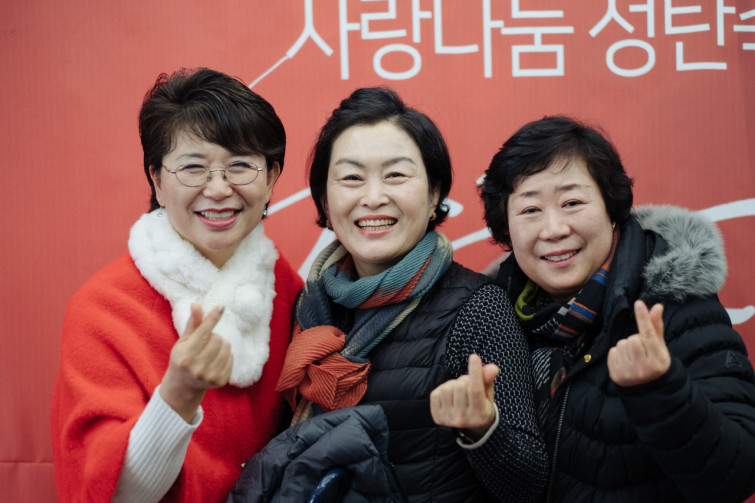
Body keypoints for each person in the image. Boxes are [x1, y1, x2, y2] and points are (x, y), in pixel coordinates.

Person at [261, 87, 547, 502]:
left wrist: (483, 431)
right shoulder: (309, 308)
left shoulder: (478, 308)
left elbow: (530, 487)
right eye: (352, 178)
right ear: (324, 199)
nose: (373, 197)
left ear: (434, 195)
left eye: (395, 175)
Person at [50, 68, 303, 502]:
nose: (218, 189)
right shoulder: (103, 308)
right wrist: (179, 394)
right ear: (157, 181)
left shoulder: (285, 285)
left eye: (241, 165)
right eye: (193, 168)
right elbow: (112, 493)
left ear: (271, 178)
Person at [479, 115, 755, 502]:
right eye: (530, 210)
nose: (553, 229)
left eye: (572, 203)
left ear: (612, 209)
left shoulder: (672, 305)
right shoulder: (490, 314)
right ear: (505, 228)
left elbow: (737, 476)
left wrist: (661, 390)